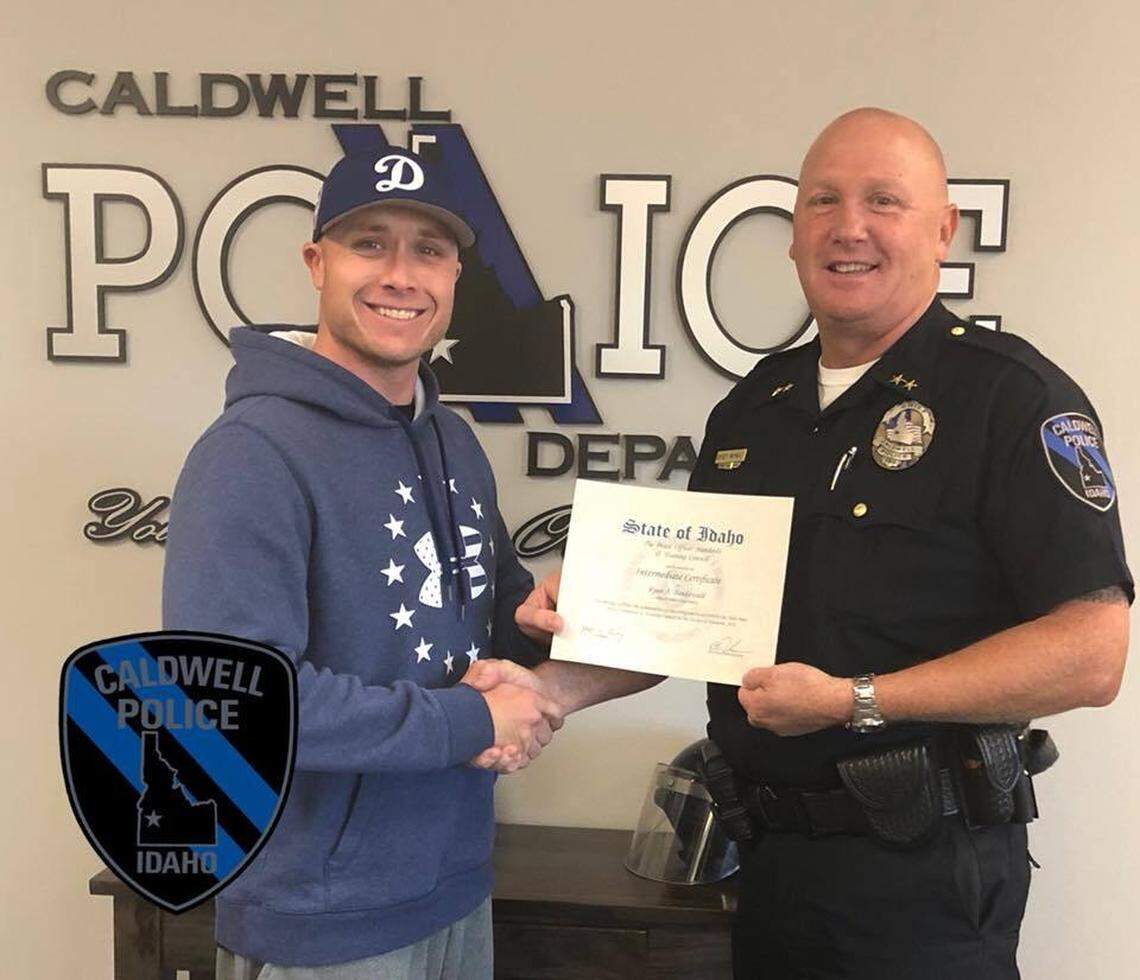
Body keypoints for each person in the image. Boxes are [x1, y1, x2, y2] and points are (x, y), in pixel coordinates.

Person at [510, 108, 1132, 979]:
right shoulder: (755, 409)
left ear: (945, 230)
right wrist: (547, 686)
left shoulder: (1009, 397)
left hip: (926, 883)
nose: (850, 227)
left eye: (885, 201)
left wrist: (855, 700)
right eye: (822, 202)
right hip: (771, 865)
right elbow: (689, 625)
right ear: (795, 235)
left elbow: (1092, 652)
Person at [163, 146, 563, 980]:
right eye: (370, 243)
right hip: (323, 920)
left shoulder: (453, 441)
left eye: (429, 250)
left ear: (456, 275)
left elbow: (485, 634)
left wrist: (530, 626)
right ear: (317, 262)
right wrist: (471, 722)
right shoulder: (250, 453)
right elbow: (237, 702)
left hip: (452, 885)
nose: (401, 275)